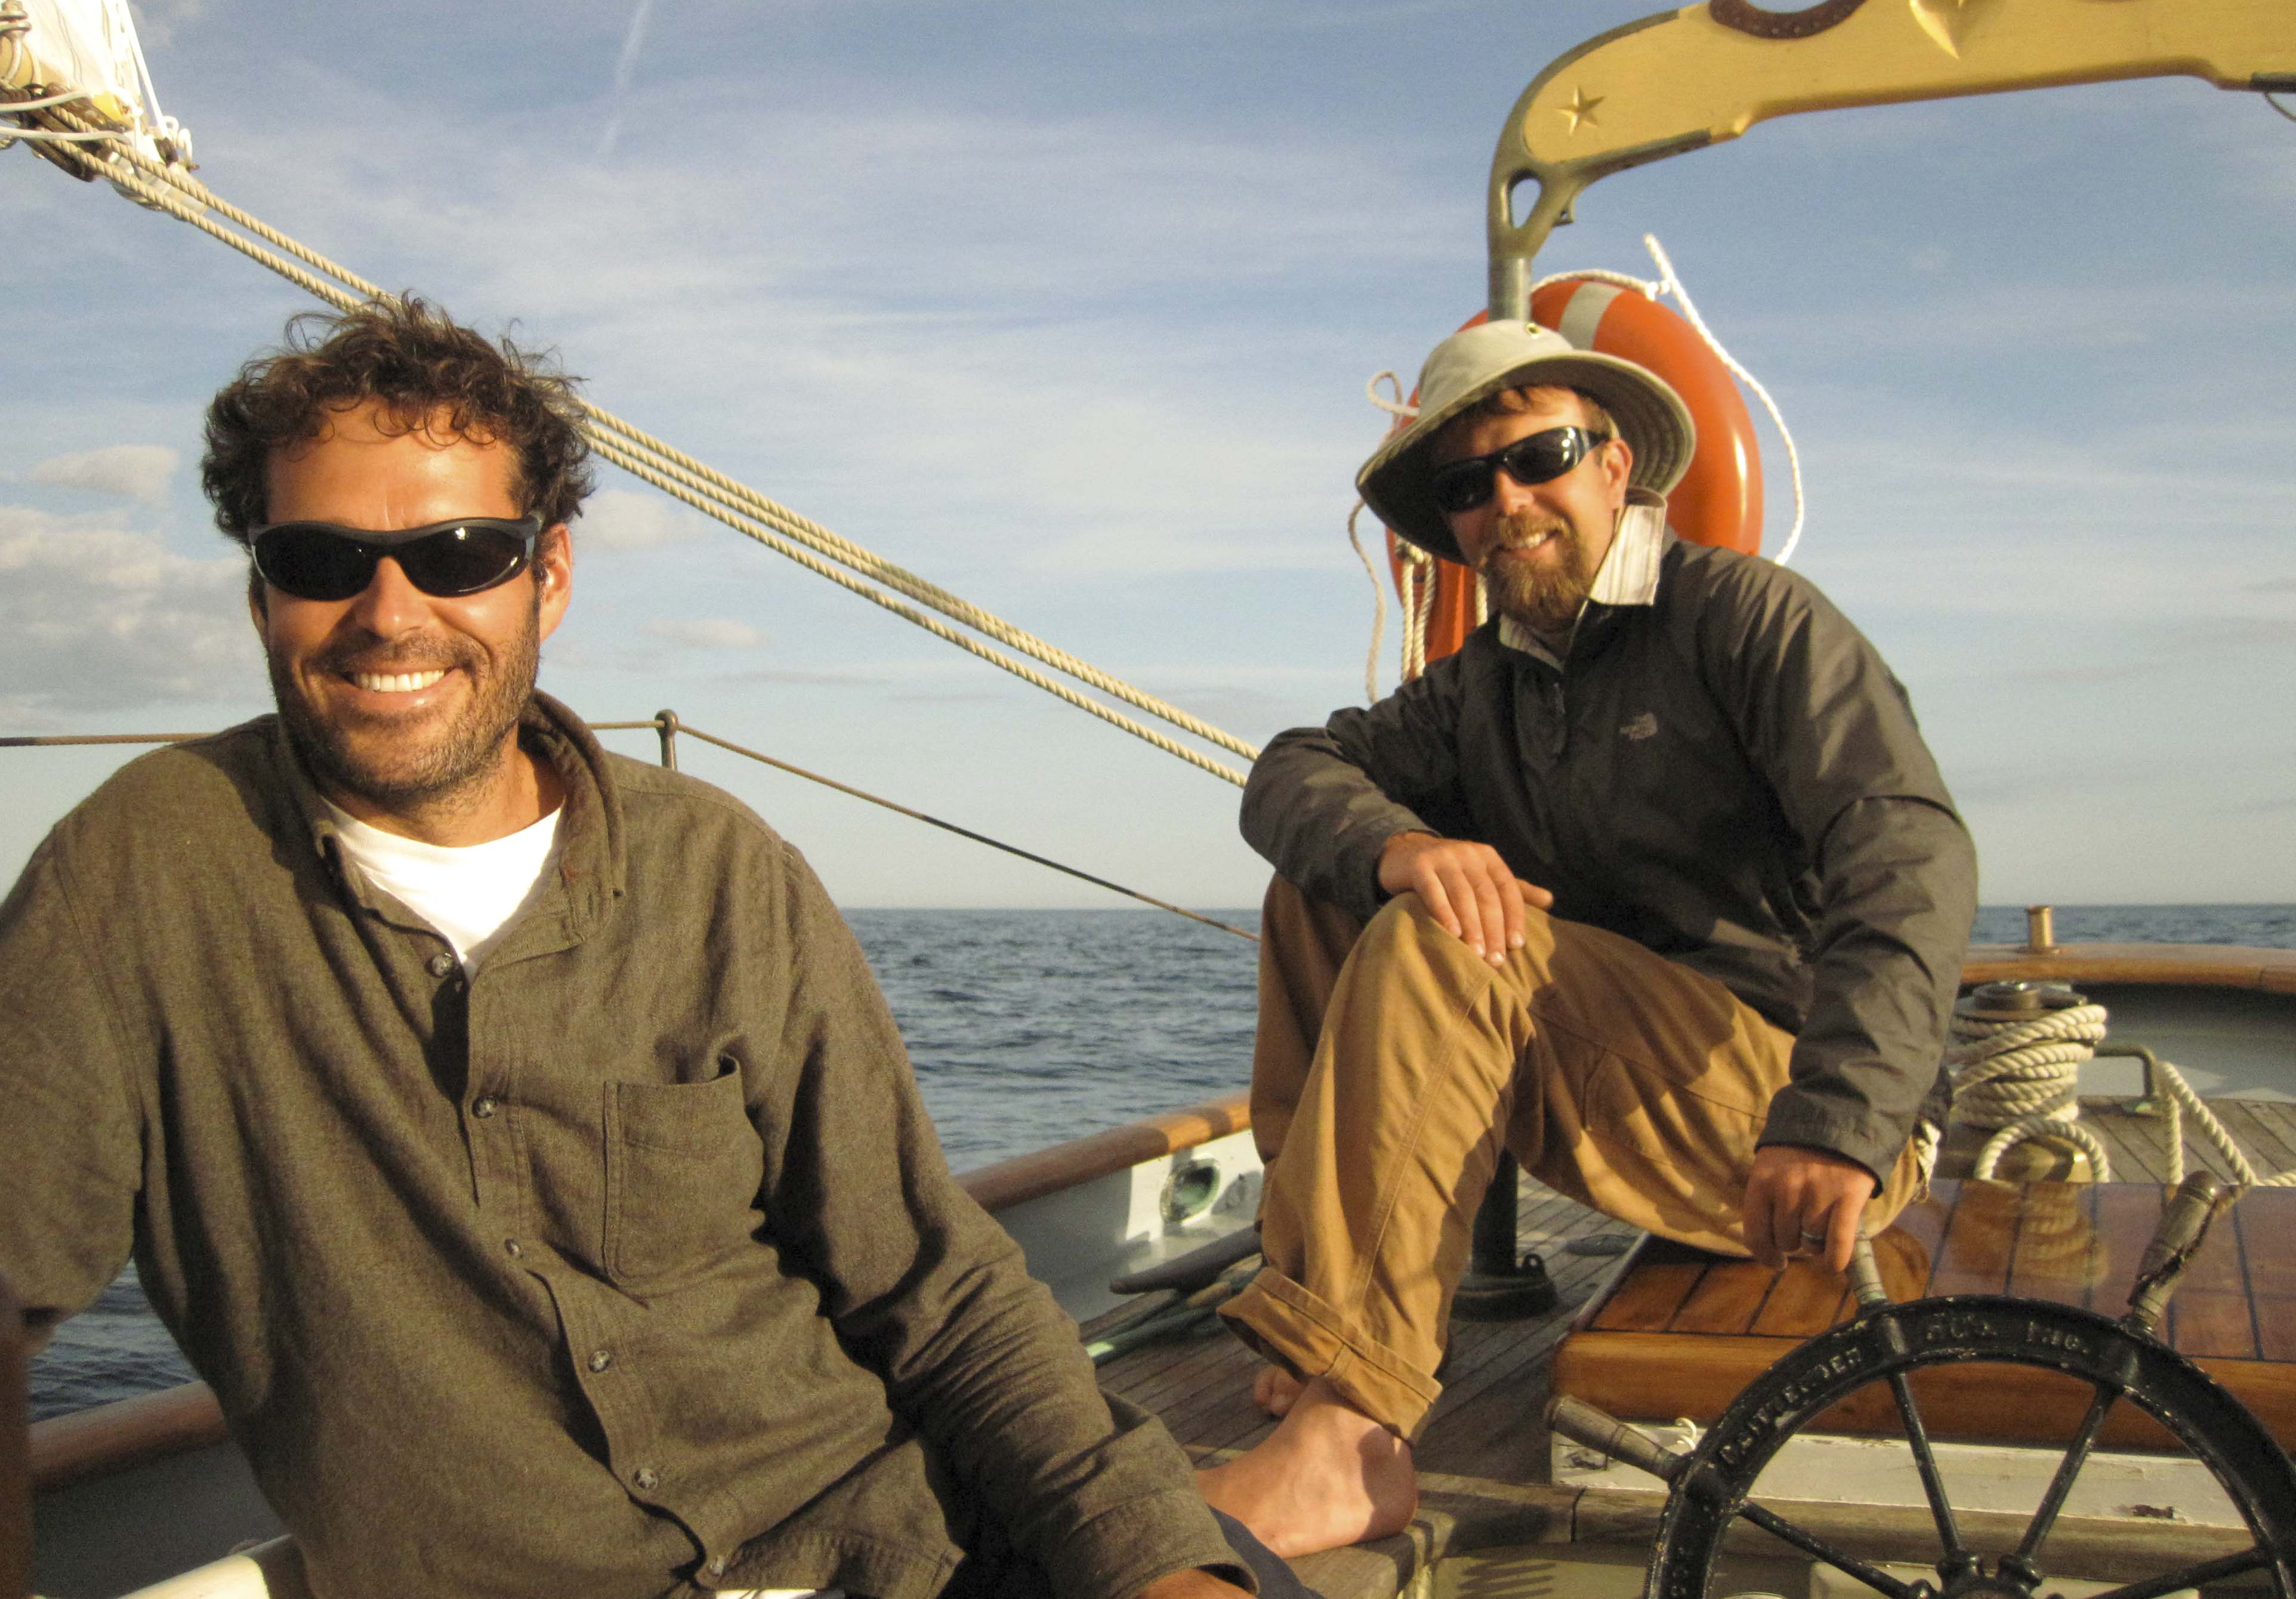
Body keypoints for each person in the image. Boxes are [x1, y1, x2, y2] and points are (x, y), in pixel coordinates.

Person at [0, 298, 1305, 1599]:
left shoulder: (714, 868)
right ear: (261, 595)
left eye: (459, 554)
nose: (389, 613)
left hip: (904, 1540)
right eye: (322, 557)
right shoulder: (142, 876)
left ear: (548, 576)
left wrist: (1154, 1563)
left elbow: (933, 1282)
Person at [1195, 320, 1978, 1557]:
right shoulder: (1483, 686)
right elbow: (1293, 768)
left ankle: (1346, 1441)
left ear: (1615, 465)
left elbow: (1908, 848)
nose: (1505, 501)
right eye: (1468, 485)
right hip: (1639, 1090)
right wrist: (1400, 845)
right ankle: (1319, 1329)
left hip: (1798, 1125)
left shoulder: (1744, 618)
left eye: (1538, 457)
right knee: (1329, 884)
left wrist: (1842, 1116)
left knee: (1448, 940)